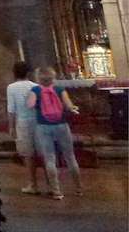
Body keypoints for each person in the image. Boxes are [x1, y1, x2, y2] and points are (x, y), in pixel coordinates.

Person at [27, 66, 82, 199]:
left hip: (43, 126)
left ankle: (57, 191)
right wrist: (72, 108)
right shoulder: (59, 89)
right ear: (53, 77)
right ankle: (78, 188)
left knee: (50, 158)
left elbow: (30, 105)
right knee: (70, 157)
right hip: (61, 125)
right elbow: (69, 105)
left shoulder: (35, 90)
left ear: (38, 78)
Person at [6, 61, 39, 194]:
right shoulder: (36, 86)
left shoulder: (11, 87)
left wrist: (11, 127)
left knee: (28, 155)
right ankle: (52, 185)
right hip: (37, 122)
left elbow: (11, 109)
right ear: (28, 73)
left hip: (23, 122)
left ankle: (33, 184)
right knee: (42, 153)